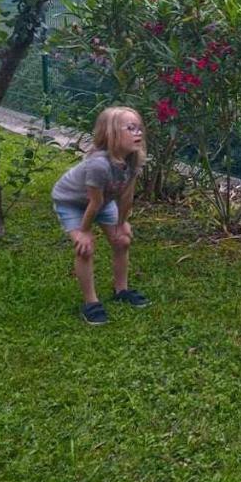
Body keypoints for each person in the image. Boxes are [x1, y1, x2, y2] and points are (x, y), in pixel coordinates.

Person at [51, 106, 150, 324]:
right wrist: (84, 232)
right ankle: (91, 302)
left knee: (122, 240)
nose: (138, 133)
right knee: (85, 248)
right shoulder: (99, 165)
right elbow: (93, 203)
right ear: (111, 133)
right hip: (72, 202)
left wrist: (122, 223)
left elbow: (126, 195)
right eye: (131, 128)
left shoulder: (134, 159)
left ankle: (121, 290)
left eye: (139, 128)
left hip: (102, 201)